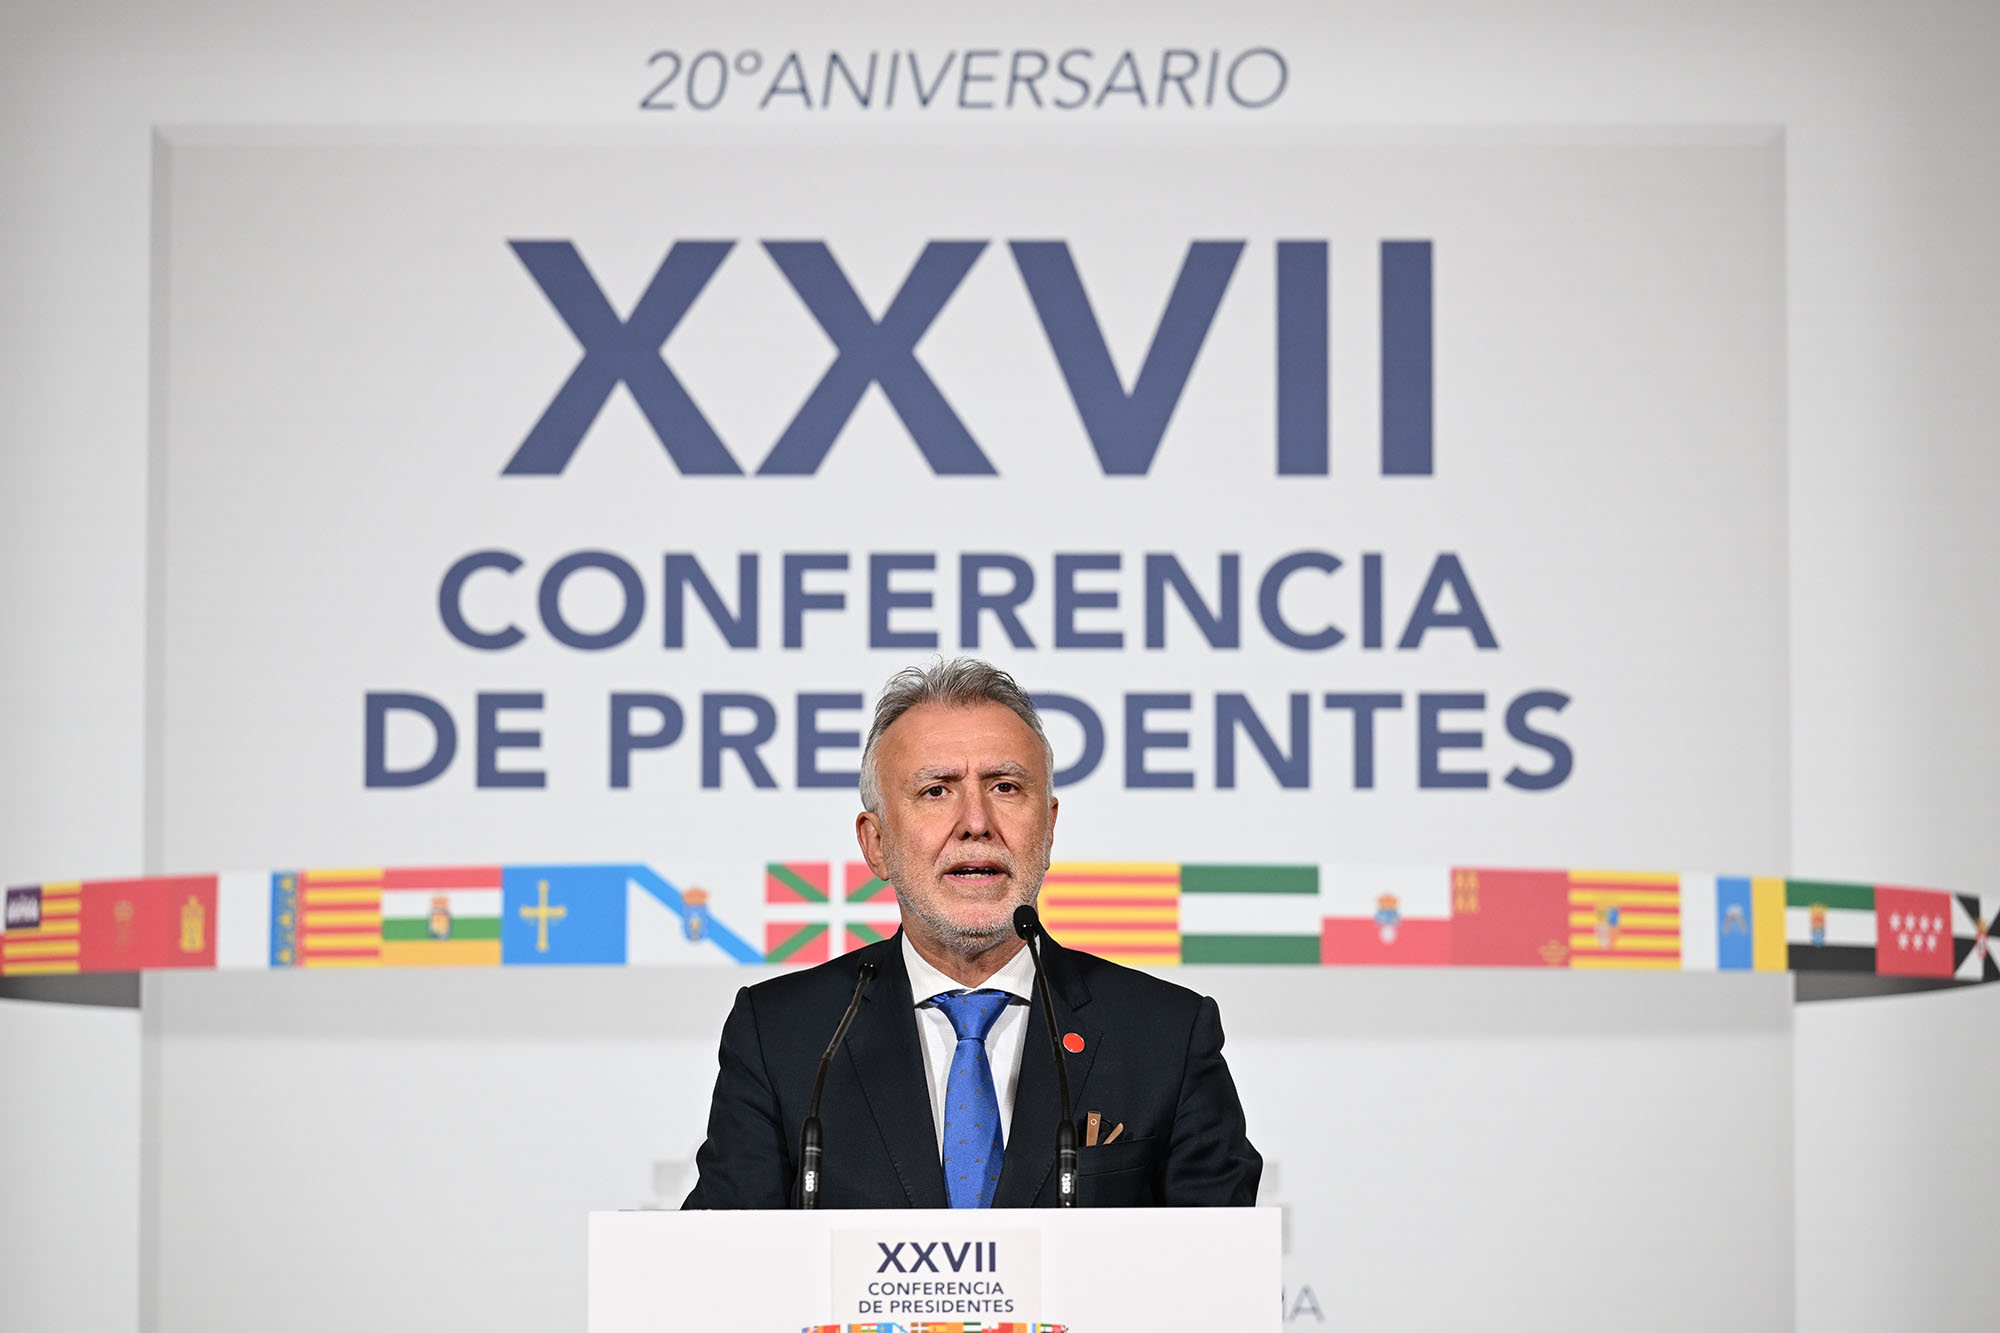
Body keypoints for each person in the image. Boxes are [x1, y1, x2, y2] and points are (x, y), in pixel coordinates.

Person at [682, 658, 1261, 1209]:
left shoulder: (1166, 1035)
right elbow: (716, 1272)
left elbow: (1229, 1279)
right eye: (936, 790)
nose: (977, 823)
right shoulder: (784, 1035)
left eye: (1005, 786)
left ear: (1050, 827)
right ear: (876, 843)